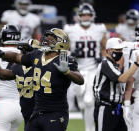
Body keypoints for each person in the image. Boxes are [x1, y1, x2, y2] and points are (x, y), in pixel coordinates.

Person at [0, 28, 84, 131]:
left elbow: (80, 80)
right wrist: (2, 54)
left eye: (51, 39)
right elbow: (16, 57)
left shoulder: (65, 60)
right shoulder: (37, 55)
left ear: (61, 42)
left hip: (55, 113)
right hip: (36, 112)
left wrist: (67, 72)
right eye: (46, 37)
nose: (46, 40)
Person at [63, 3, 107, 131]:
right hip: (77, 69)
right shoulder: (70, 29)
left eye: (88, 15)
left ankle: (89, 129)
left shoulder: (100, 29)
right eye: (84, 15)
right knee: (82, 103)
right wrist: (72, 54)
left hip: (93, 69)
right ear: (79, 16)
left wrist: (102, 58)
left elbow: (104, 49)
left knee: (89, 101)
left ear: (93, 16)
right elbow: (64, 50)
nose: (86, 17)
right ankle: (88, 121)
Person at [0, 39, 40, 130]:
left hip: (41, 112)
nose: (27, 54)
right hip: (27, 113)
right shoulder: (19, 67)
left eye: (30, 51)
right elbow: (1, 74)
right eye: (24, 51)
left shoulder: (43, 67)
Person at [93, 37, 139, 131]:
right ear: (109, 51)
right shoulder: (105, 64)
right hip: (105, 108)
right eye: (117, 50)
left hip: (117, 108)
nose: (120, 52)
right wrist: (136, 64)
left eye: (121, 50)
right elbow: (122, 79)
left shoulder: (115, 65)